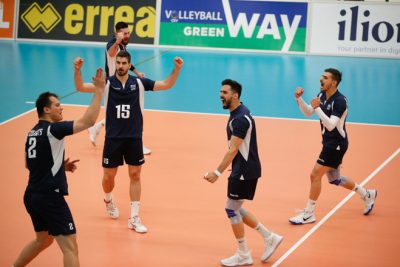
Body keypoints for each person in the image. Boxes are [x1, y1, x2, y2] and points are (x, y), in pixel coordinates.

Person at [74, 50, 184, 233]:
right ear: (115, 63)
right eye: (118, 63)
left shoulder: (139, 83)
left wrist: (176, 69)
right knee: (109, 177)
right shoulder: (107, 83)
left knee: (135, 175)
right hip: (113, 138)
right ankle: (108, 199)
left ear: (129, 64)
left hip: (133, 137)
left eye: (124, 63)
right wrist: (77, 70)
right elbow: (80, 87)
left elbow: (166, 84)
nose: (121, 66)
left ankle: (134, 218)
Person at [13, 68, 105, 267]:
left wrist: (59, 166)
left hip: (31, 195)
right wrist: (99, 91)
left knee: (43, 240)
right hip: (50, 197)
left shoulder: (32, 133)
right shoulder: (54, 129)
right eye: (57, 105)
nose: (61, 108)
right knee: (71, 247)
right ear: (46, 110)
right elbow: (88, 121)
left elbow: (30, 164)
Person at [203, 79, 283, 266]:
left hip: (244, 170)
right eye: (220, 91)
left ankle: (243, 254)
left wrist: (217, 172)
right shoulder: (240, 112)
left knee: (231, 209)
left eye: (225, 92)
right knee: (235, 207)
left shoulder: (239, 119)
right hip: (244, 168)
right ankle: (269, 237)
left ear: (235, 95)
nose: (221, 95)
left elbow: (233, 149)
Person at [289, 68, 377, 225]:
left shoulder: (340, 101)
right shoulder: (322, 94)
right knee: (335, 179)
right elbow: (308, 112)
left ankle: (308, 214)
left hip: (336, 144)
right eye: (321, 76)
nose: (321, 79)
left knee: (315, 175)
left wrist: (316, 108)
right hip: (329, 143)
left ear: (333, 82)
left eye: (325, 77)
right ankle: (367, 194)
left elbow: (331, 125)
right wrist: (299, 99)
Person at [84, 21, 150, 155]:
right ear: (117, 34)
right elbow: (111, 52)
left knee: (119, 113)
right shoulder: (113, 44)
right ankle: (138, 144)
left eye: (128, 33)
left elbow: (126, 63)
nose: (127, 35)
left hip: (119, 84)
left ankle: (95, 128)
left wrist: (137, 72)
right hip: (112, 85)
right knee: (133, 112)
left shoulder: (123, 46)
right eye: (124, 33)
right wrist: (116, 42)